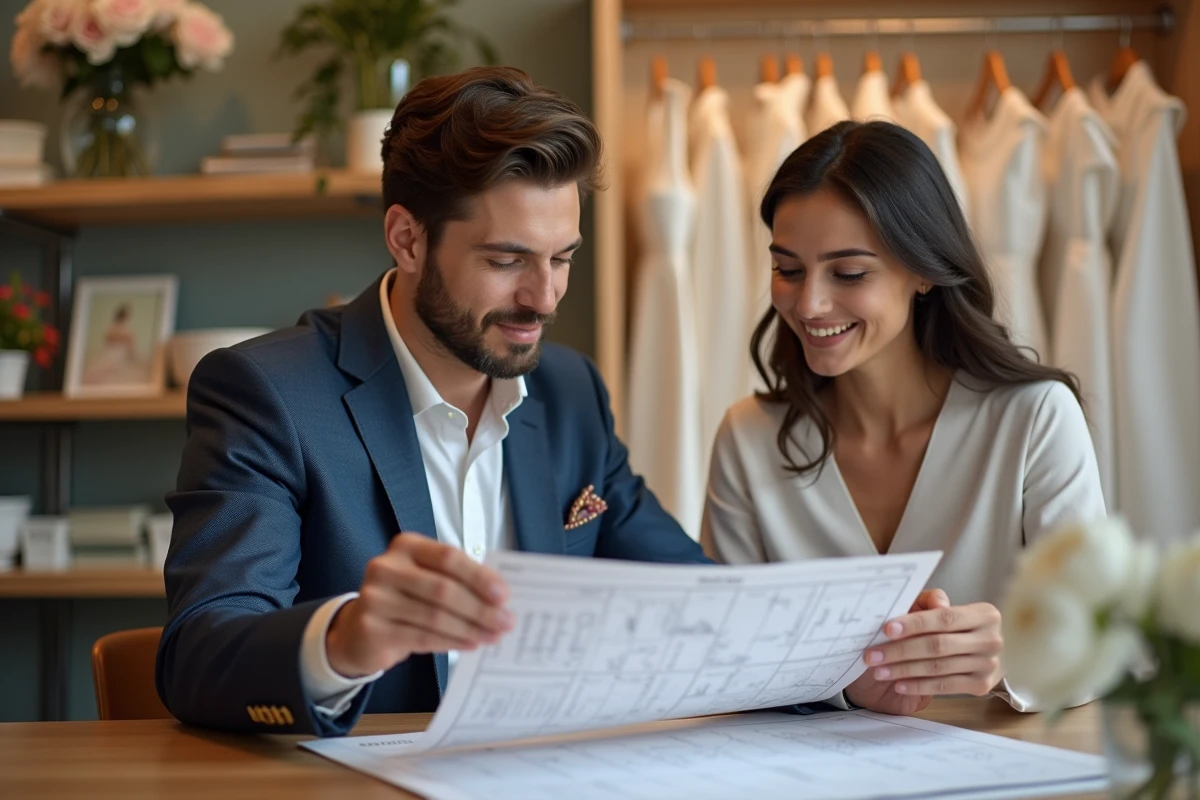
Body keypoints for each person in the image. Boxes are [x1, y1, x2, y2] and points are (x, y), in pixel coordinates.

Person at [155, 68, 966, 736]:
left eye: (563, 258)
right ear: (406, 239)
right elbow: (200, 653)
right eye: (508, 260)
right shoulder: (268, 392)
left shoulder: (569, 393)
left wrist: (859, 672)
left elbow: (701, 610)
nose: (543, 298)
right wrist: (348, 636)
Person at [702, 120, 1106, 714]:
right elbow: (721, 656)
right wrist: (843, 684)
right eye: (788, 269)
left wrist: (1007, 660)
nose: (809, 303)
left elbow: (1097, 644)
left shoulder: (1034, 420)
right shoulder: (749, 440)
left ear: (923, 270)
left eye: (849, 273)